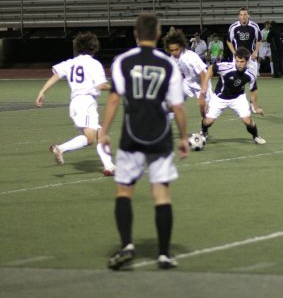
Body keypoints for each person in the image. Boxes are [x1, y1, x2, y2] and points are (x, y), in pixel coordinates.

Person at [99, 13, 189, 271]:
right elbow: (178, 107)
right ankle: (163, 254)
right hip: (160, 135)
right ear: (158, 35)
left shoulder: (123, 61)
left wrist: (104, 131)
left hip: (132, 134)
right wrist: (183, 137)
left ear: (136, 35)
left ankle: (127, 245)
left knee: (124, 191)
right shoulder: (168, 63)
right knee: (161, 194)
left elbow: (115, 99)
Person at [35, 31, 115, 176]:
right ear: (94, 47)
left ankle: (109, 166)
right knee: (91, 138)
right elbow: (102, 85)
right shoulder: (94, 64)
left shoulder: (71, 62)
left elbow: (56, 75)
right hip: (86, 102)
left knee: (100, 135)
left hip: (76, 103)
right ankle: (61, 148)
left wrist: (42, 91)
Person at [199, 47, 266, 145]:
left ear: (247, 61)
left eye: (242, 61)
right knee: (208, 122)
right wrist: (204, 85)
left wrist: (255, 107)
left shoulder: (250, 74)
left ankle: (256, 136)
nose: (239, 64)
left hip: (238, 98)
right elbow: (211, 68)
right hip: (219, 98)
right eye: (237, 61)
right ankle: (204, 132)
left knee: (248, 121)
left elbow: (253, 90)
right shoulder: (227, 67)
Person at [164, 29, 213, 123]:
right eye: (171, 50)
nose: (174, 52)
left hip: (202, 82)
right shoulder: (172, 58)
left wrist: (202, 93)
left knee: (203, 110)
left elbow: (203, 75)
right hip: (188, 82)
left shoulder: (191, 57)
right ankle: (165, 127)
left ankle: (204, 129)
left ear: (181, 47)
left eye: (176, 49)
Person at [226, 7, 262, 80]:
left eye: (245, 14)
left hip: (250, 56)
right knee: (237, 79)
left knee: (253, 79)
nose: (243, 17)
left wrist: (256, 52)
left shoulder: (254, 26)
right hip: (238, 57)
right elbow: (229, 41)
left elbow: (259, 40)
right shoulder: (233, 27)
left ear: (248, 15)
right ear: (239, 16)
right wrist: (234, 53)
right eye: (241, 15)